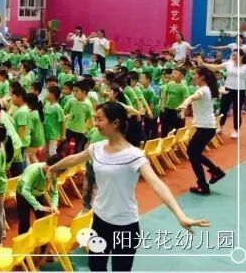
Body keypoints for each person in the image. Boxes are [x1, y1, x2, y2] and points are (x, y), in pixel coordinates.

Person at [47, 101, 209, 271]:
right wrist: (52, 167)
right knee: (95, 266)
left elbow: (157, 184)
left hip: (125, 227)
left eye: (100, 119)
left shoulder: (134, 155)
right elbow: (74, 159)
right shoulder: (97, 148)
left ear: (115, 123)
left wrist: (180, 215)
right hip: (99, 221)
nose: (95, 123)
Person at [176, 66, 224, 195]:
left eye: (194, 74)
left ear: (201, 77)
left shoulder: (203, 90)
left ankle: (204, 185)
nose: (192, 76)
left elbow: (192, 98)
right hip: (207, 127)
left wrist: (184, 105)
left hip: (205, 128)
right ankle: (215, 172)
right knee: (194, 154)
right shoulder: (208, 89)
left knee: (193, 154)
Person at [198, 49, 246, 138]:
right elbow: (215, 67)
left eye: (236, 55)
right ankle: (220, 127)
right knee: (223, 109)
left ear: (241, 56)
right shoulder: (228, 64)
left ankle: (236, 130)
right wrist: (203, 64)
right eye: (233, 55)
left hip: (240, 91)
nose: (233, 57)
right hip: (227, 90)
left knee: (237, 111)